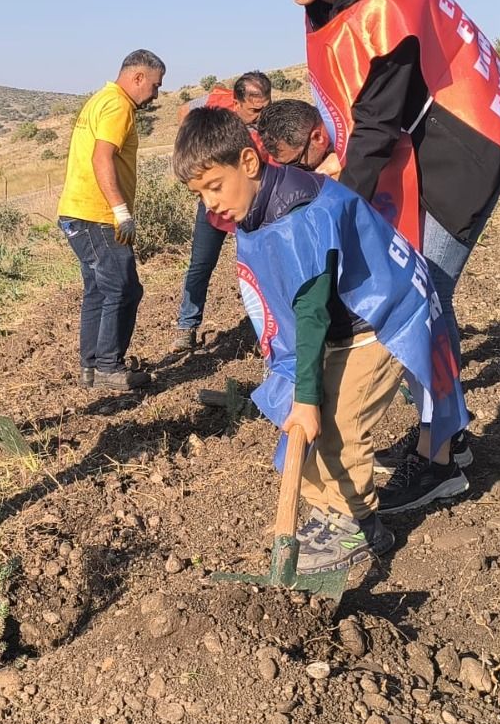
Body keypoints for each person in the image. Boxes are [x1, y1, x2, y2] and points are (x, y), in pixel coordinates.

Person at [257, 0, 500, 512]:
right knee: (420, 292)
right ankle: (450, 439)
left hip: (465, 144)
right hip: (419, 143)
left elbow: (376, 129)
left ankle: (439, 460)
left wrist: (336, 216)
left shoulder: (389, 4)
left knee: (418, 295)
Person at [174, 107, 468, 572]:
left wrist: (308, 398)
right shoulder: (255, 205)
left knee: (341, 423)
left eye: (214, 186)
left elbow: (309, 313)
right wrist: (303, 399)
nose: (211, 203)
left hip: (379, 316)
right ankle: (330, 511)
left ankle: (355, 524)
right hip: (341, 320)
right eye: (199, 194)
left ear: (248, 162)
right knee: (306, 424)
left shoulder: (299, 215)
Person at [57, 50, 165, 391]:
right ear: (138, 77)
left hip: (78, 213)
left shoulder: (100, 99)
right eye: (155, 85)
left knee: (99, 291)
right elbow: (101, 157)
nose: (156, 94)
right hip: (98, 216)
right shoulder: (118, 105)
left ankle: (91, 367)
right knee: (124, 289)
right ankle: (108, 367)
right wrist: (120, 211)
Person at [172, 71, 271, 351]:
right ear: (236, 102)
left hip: (248, 206)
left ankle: (264, 328)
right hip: (214, 205)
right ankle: (187, 327)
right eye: (255, 110)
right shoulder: (217, 100)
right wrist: (195, 149)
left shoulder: (268, 125)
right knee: (201, 264)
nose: (261, 116)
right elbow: (184, 110)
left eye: (266, 107)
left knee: (257, 266)